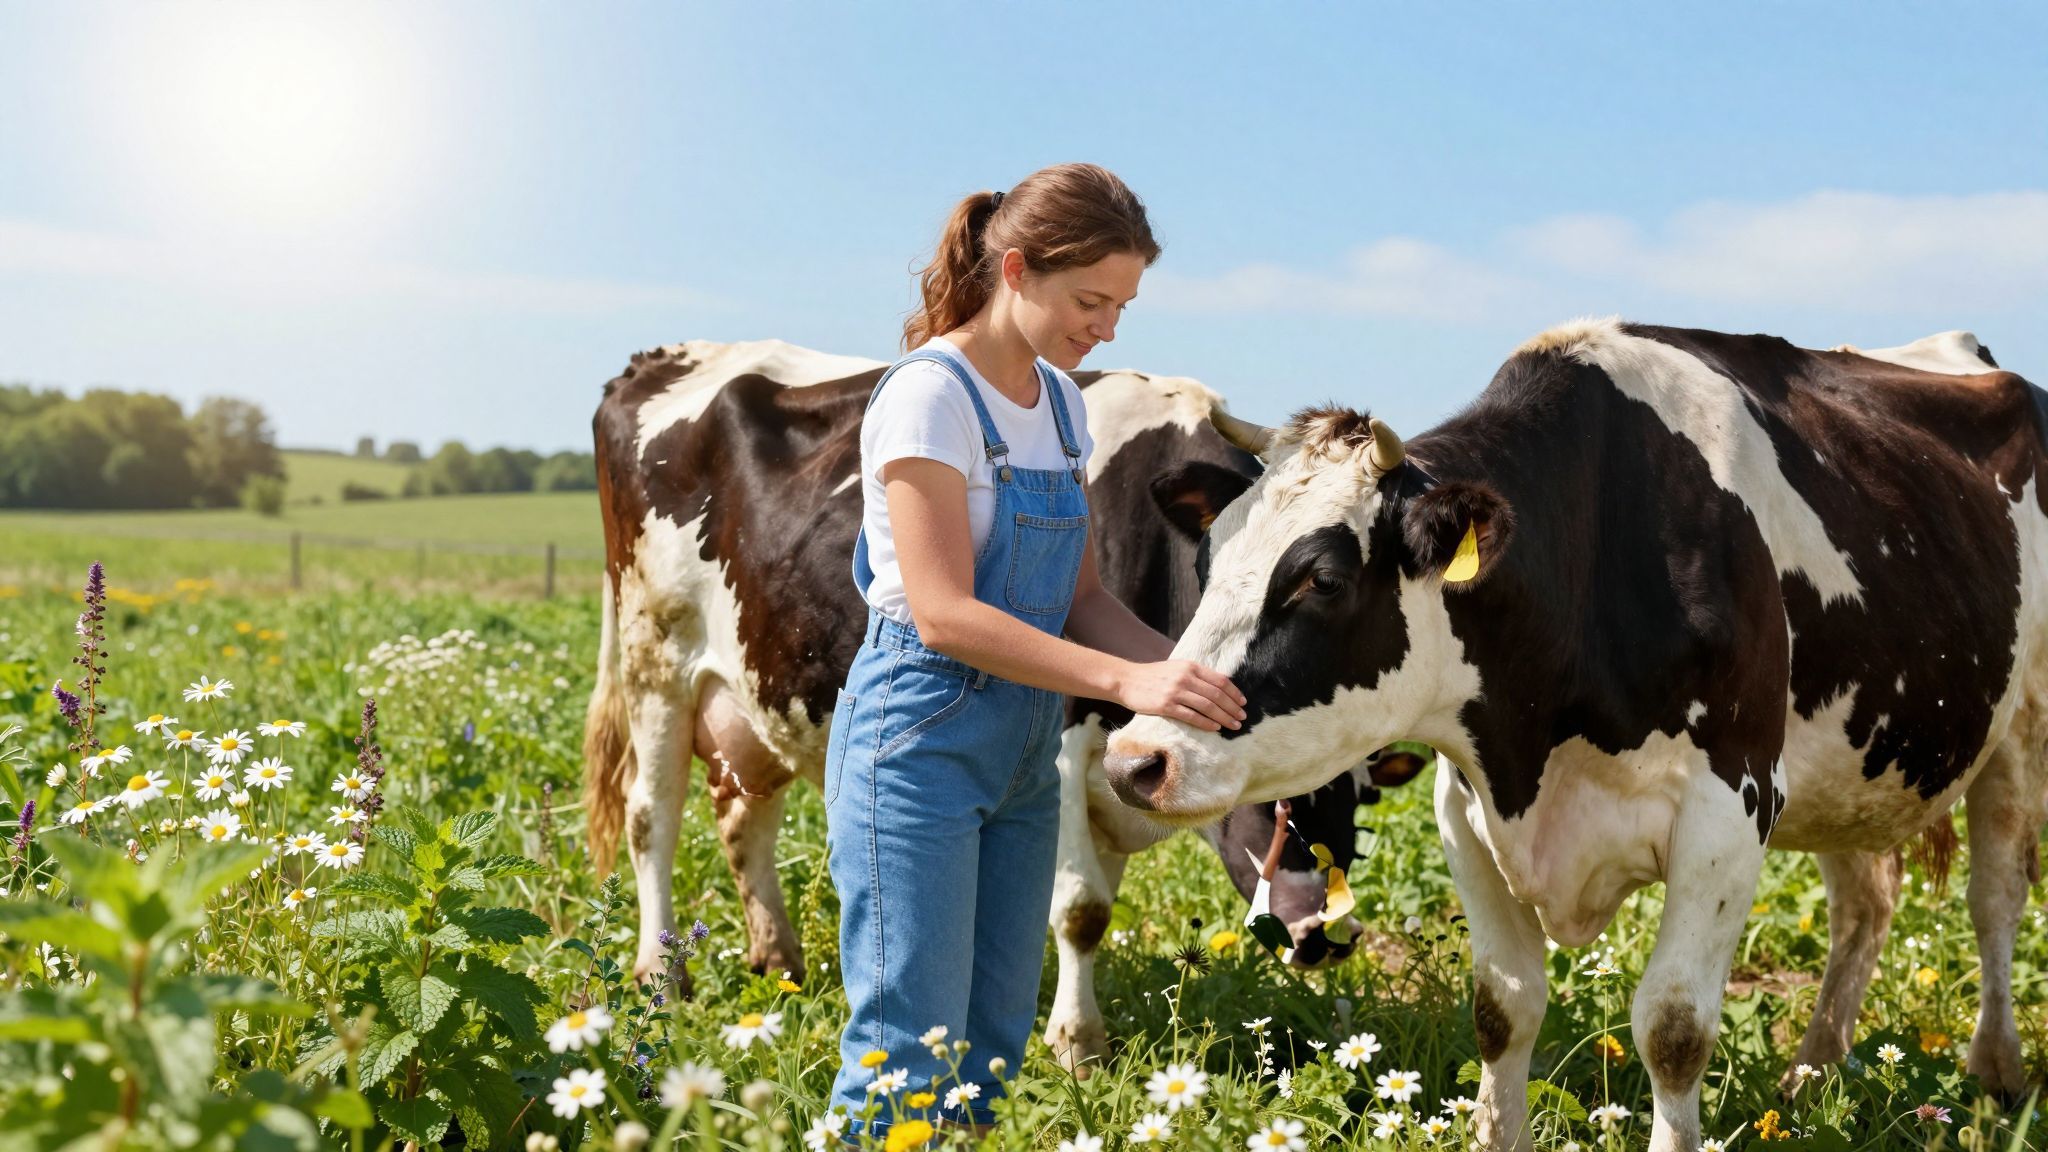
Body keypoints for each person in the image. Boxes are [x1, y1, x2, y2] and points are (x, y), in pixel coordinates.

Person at [824, 162, 1247, 1131]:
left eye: (1121, 305)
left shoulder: (1060, 409)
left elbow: (1082, 595)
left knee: (987, 1048)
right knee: (904, 1053)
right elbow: (942, 612)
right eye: (1088, 300)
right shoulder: (928, 398)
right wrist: (1123, 679)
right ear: (1014, 270)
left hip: (1021, 753)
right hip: (916, 740)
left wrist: (1182, 674)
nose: (1105, 328)